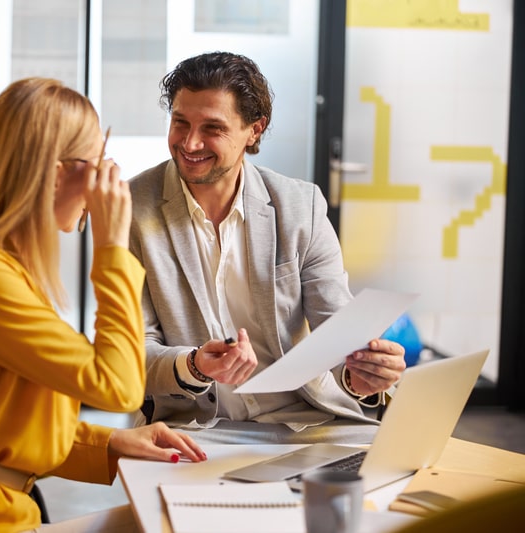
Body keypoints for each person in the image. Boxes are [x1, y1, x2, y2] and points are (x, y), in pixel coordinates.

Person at [0, 77, 206, 533]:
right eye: (97, 164)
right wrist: (112, 247)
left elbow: (9, 426)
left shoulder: (4, 267)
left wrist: (116, 442)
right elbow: (120, 386)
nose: (107, 182)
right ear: (53, 171)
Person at [128, 51, 406, 443]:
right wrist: (193, 365)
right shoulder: (132, 207)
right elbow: (130, 348)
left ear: (254, 130)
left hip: (304, 418)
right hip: (193, 426)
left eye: (213, 128)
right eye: (180, 122)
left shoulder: (299, 206)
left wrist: (362, 375)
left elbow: (339, 333)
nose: (190, 143)